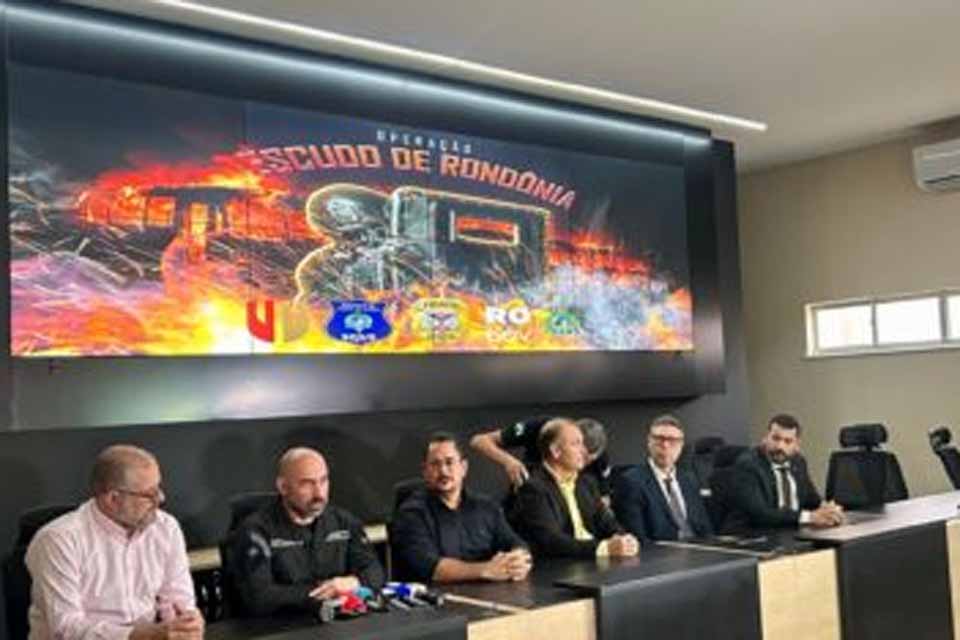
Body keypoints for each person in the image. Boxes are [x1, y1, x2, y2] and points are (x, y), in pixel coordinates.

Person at [25, 445, 203, 640]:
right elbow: (67, 628)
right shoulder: (59, 540)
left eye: (158, 488)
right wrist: (141, 635)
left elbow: (178, 599)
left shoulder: (165, 527)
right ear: (113, 499)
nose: (161, 498)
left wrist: (186, 624)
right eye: (149, 494)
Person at [228, 447, 385, 616]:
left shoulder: (343, 521)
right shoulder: (255, 531)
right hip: (281, 624)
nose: (319, 493)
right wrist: (324, 591)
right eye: (307, 484)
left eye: (323, 481)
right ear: (283, 487)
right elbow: (259, 596)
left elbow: (375, 571)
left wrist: (354, 582)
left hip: (337, 620)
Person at [390, 432, 532, 584]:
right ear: (425, 471)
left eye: (449, 462)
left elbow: (515, 543)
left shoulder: (486, 507)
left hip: (491, 593)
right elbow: (432, 569)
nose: (443, 471)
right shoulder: (411, 514)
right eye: (435, 464)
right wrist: (486, 570)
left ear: (463, 468)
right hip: (436, 595)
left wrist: (518, 559)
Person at [511, 418, 639, 558]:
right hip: (560, 565)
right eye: (576, 444)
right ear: (556, 451)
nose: (583, 450)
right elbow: (551, 542)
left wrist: (624, 539)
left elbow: (606, 522)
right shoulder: (533, 489)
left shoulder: (587, 483)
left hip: (592, 561)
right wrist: (604, 548)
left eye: (582, 443)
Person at [724, 414, 845, 531]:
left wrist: (828, 510)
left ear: (796, 445)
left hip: (788, 531)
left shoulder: (798, 462)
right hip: (751, 534)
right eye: (775, 438)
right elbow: (760, 514)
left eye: (788, 441)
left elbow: (811, 498)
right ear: (765, 438)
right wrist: (810, 517)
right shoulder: (748, 465)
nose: (780, 446)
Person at [612, 415, 713, 545]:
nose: (665, 445)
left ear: (681, 445)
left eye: (672, 440)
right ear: (649, 442)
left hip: (699, 550)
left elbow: (705, 528)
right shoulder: (631, 481)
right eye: (659, 439)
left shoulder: (689, 480)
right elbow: (638, 538)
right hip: (659, 553)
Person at [470, 416, 612, 494]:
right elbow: (479, 441)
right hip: (528, 500)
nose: (579, 462)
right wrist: (509, 461)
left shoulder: (600, 460)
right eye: (575, 447)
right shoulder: (540, 428)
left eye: (585, 460)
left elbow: (604, 498)